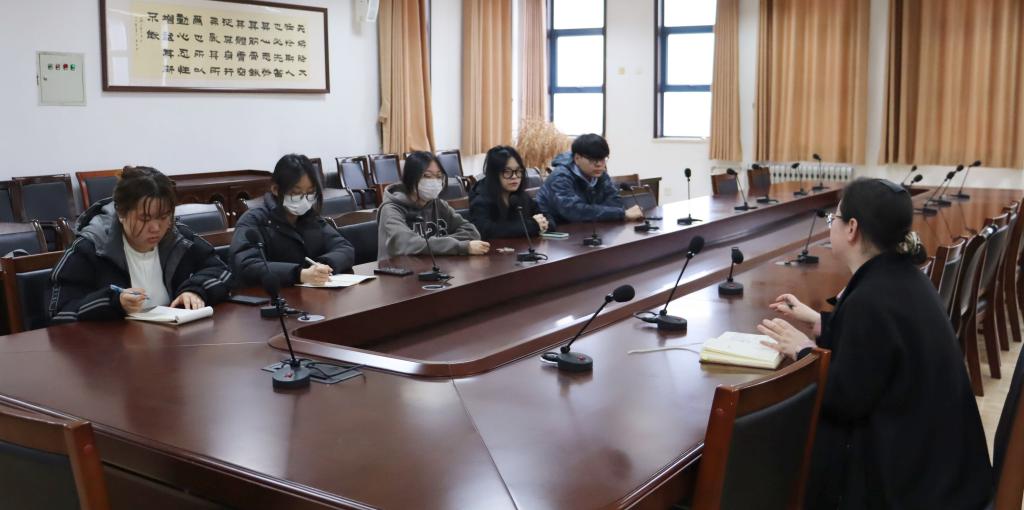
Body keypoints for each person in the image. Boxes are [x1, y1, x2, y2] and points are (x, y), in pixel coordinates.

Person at [757, 178, 992, 509]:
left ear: (852, 229)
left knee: (786, 446)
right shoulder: (904, 277)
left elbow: (843, 399)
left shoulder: (870, 299)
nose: (831, 224)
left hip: (913, 488)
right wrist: (821, 322)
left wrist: (804, 351)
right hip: (946, 472)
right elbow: (877, 349)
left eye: (834, 218)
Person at [50, 166, 231, 322]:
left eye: (164, 217)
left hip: (173, 342)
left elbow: (221, 270)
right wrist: (113, 302)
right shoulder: (91, 247)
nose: (156, 228)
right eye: (144, 219)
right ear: (121, 213)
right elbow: (58, 312)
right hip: (113, 347)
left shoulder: (178, 237)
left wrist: (195, 290)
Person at [231, 154, 355, 287]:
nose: (304, 199)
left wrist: (323, 265)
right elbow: (246, 265)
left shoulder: (310, 217)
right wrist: (299, 274)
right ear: (276, 189)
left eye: (310, 192)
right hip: (270, 295)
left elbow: (345, 248)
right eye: (296, 193)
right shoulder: (254, 220)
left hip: (310, 293)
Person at [377, 151, 488, 259]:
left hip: (433, 265)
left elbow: (471, 232)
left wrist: (438, 244)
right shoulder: (391, 209)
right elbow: (407, 243)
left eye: (439, 176)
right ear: (410, 178)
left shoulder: (439, 204)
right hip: (398, 268)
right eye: (427, 176)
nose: (434, 181)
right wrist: (458, 246)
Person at [535, 133, 643, 224]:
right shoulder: (560, 177)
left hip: (588, 228)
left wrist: (592, 212)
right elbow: (574, 212)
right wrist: (620, 214)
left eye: (603, 159)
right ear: (577, 158)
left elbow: (616, 202)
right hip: (556, 231)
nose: (599, 164)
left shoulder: (600, 174)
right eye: (593, 160)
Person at [468, 145, 552, 240]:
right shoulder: (481, 200)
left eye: (518, 171)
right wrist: (532, 226)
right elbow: (486, 231)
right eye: (507, 172)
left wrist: (542, 223)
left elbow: (547, 218)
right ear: (494, 174)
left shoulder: (520, 195)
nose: (514, 176)